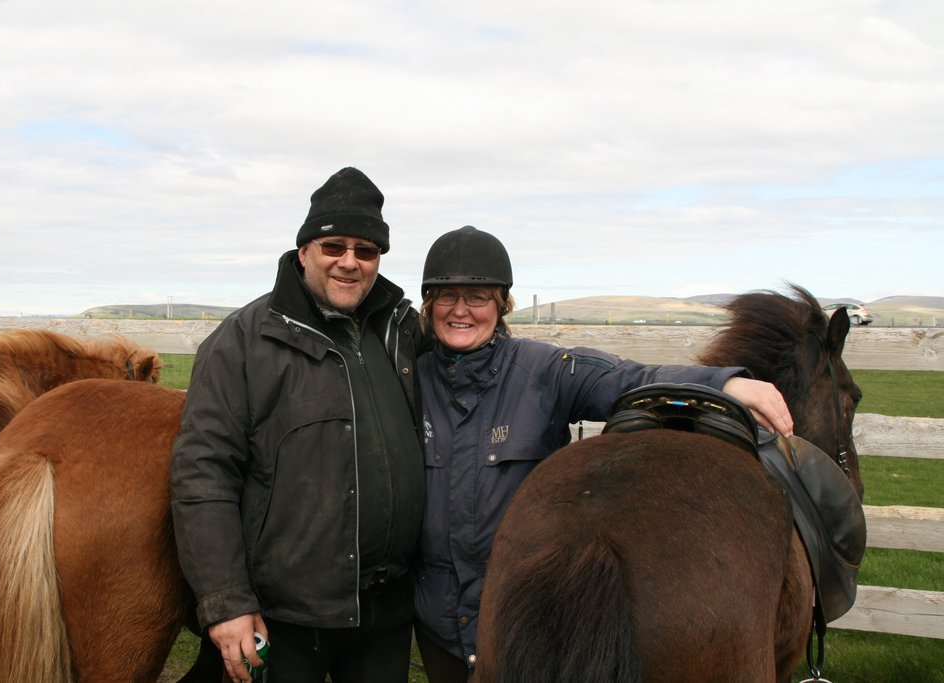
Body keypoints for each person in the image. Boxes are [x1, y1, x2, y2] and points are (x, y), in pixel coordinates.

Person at [412, 225, 795, 682]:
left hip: (521, 618)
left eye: (477, 297)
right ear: (429, 304)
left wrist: (722, 382)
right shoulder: (410, 378)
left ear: (501, 304)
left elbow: (627, 379)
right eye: (446, 296)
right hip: (438, 623)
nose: (460, 310)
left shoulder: (544, 370)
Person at [170, 167, 426, 683]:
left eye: (366, 250)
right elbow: (203, 474)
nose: (350, 261)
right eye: (334, 246)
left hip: (385, 613)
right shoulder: (244, 341)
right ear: (304, 250)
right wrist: (226, 602)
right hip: (283, 617)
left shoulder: (400, 331)